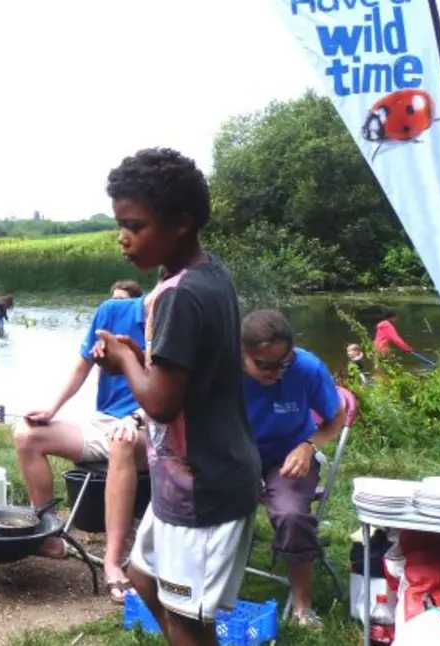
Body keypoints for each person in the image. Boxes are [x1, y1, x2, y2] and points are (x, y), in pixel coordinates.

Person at [97, 148, 261, 645]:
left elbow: (162, 403)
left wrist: (124, 359)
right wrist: (141, 355)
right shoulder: (207, 275)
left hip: (203, 490)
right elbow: (180, 375)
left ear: (182, 223)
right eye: (120, 224)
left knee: (189, 620)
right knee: (143, 578)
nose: (123, 237)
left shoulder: (180, 294)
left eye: (136, 225)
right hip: (180, 482)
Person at [15, 289, 147, 601]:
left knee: (121, 442)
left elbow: (174, 395)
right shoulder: (112, 312)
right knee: (27, 435)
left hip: (152, 427)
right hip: (104, 420)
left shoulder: (177, 324)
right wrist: (51, 409)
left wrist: (135, 418)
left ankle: (113, 563)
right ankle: (49, 537)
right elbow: (80, 367)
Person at [241, 309, 346, 628]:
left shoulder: (308, 368)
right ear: (241, 353)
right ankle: (203, 587)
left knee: (290, 513)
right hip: (238, 452)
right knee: (201, 499)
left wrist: (308, 446)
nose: (276, 373)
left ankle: (302, 605)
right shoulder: (221, 369)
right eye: (264, 365)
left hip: (289, 454)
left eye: (283, 363)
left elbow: (336, 418)